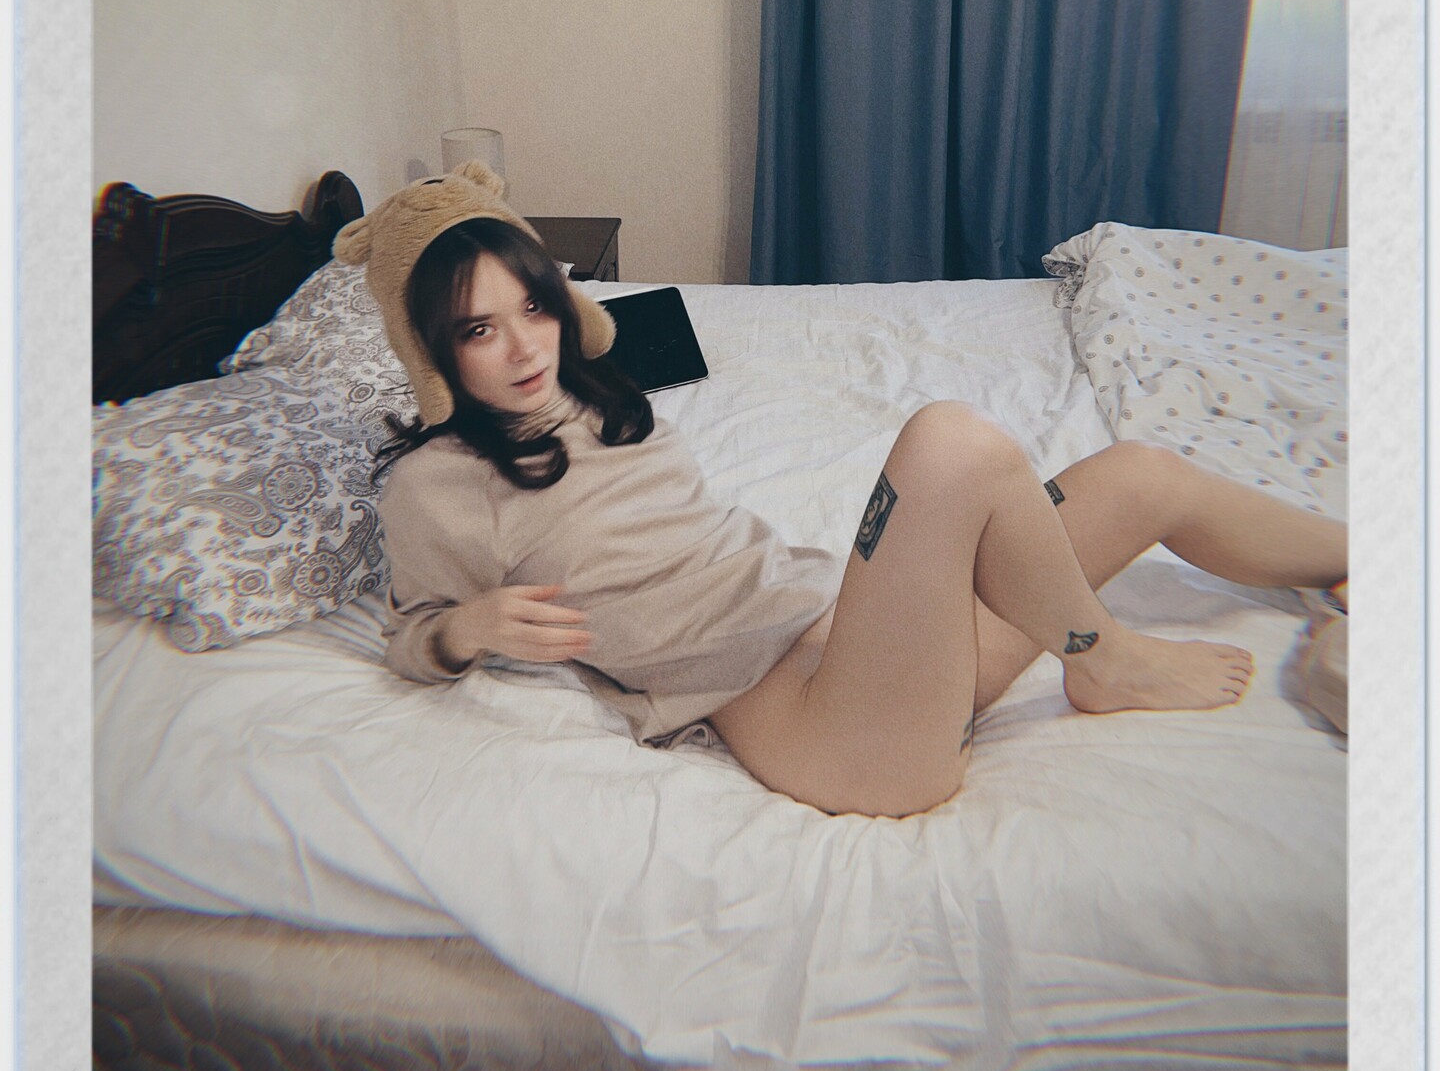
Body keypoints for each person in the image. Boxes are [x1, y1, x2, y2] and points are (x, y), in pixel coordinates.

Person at [340, 164, 1348, 821]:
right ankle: (1106, 659)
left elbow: (674, 332)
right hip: (839, 738)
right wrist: (466, 626)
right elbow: (408, 635)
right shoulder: (439, 484)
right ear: (429, 348)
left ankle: (1368, 559)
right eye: (479, 330)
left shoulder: (586, 381)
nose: (525, 348)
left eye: (534, 307)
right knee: (949, 444)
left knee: (1142, 473)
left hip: (873, 649)